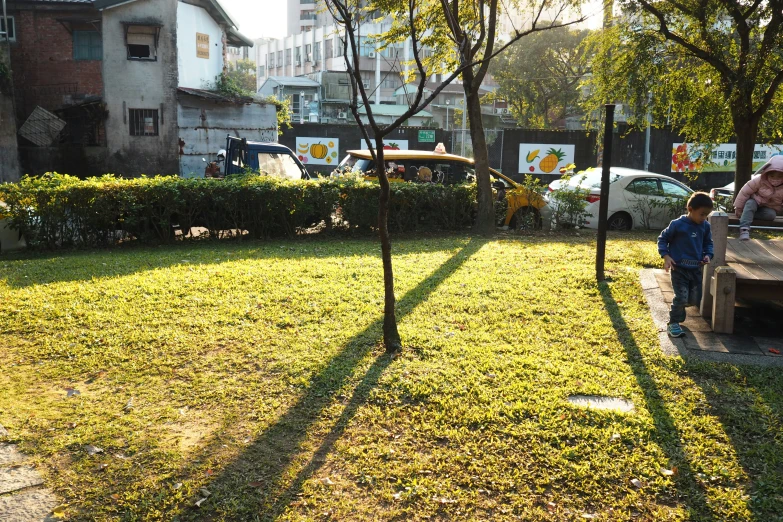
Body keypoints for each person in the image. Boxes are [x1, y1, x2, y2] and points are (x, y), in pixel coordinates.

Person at [657, 192, 715, 338]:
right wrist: (666, 256)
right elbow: (662, 239)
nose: (704, 218)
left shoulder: (705, 226)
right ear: (690, 209)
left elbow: (708, 243)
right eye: (702, 214)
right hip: (679, 269)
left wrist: (708, 255)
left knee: (694, 300)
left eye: (706, 215)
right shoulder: (677, 225)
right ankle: (673, 323)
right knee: (681, 297)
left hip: (696, 269)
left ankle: (680, 310)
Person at [734, 155, 783, 240]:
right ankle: (744, 229)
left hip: (769, 208)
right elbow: (744, 192)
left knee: (771, 215)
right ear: (767, 174)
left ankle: (746, 214)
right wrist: (738, 208)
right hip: (755, 201)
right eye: (772, 176)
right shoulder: (759, 180)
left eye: (779, 177)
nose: (775, 179)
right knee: (750, 203)